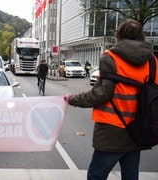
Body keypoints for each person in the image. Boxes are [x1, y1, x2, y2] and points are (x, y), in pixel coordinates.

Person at [64, 19, 153, 180]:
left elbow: (101, 94)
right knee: (131, 175)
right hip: (140, 129)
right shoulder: (152, 61)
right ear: (141, 36)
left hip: (112, 130)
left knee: (96, 175)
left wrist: (73, 99)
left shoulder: (110, 57)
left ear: (118, 35)